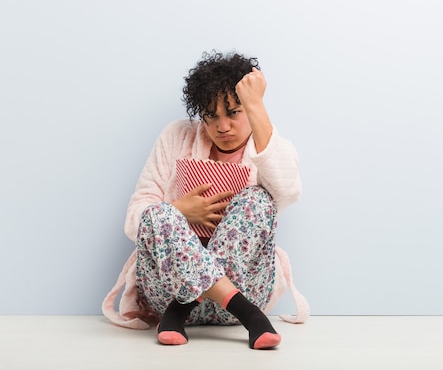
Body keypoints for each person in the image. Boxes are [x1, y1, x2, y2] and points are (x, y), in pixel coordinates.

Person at [102, 50, 306, 349]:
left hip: (243, 285)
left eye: (234, 113)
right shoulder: (176, 135)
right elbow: (136, 217)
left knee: (259, 199)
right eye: (211, 116)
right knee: (156, 213)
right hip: (169, 290)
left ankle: (184, 309)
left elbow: (287, 194)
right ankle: (249, 316)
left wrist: (255, 104)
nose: (222, 127)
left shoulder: (270, 145)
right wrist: (179, 212)